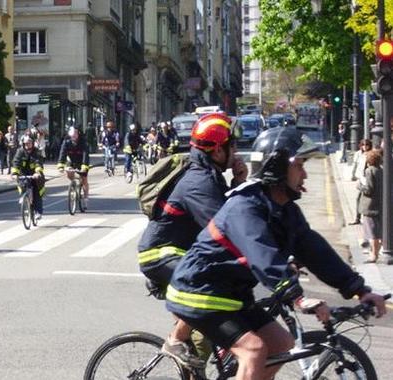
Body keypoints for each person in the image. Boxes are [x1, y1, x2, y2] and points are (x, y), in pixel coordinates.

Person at [166, 127, 388, 380]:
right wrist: (298, 297)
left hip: (231, 294)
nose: (304, 174)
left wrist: (358, 289)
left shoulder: (284, 210)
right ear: (278, 166)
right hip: (198, 292)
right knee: (253, 351)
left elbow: (315, 250)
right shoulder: (245, 207)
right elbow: (263, 255)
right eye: (299, 165)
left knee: (282, 345)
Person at [137, 113, 247, 368]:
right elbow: (225, 226)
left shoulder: (210, 174)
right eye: (233, 145)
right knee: (207, 281)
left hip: (182, 251)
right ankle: (176, 340)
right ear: (218, 150)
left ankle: (192, 358)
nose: (237, 150)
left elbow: (227, 212)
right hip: (160, 254)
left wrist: (238, 182)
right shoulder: (199, 181)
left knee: (206, 330)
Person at [11, 135, 45, 219]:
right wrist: (15, 173)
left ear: (32, 143)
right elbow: (16, 162)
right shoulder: (20, 151)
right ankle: (25, 199)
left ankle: (38, 211)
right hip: (23, 174)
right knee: (23, 186)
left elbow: (38, 162)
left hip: (35, 175)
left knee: (37, 192)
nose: (27, 145)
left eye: (29, 143)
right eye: (25, 144)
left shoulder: (36, 152)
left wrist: (37, 172)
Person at [358, 149, 383, 263]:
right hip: (379, 205)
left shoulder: (369, 171)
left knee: (372, 233)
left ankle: (374, 255)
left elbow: (369, 189)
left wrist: (359, 186)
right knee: (377, 231)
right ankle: (374, 252)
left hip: (370, 206)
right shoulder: (381, 170)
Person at [57, 126, 91, 208]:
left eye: (76, 133)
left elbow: (85, 155)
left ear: (78, 133)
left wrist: (84, 166)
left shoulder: (83, 142)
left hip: (82, 162)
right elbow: (62, 153)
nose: (74, 135)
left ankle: (86, 197)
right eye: (72, 134)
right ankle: (74, 184)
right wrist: (61, 165)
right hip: (71, 161)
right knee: (69, 173)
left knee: (84, 179)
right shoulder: (66, 142)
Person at [349, 139, 373, 226]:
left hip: (368, 180)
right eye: (363, 145)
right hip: (361, 179)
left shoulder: (371, 154)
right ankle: (357, 218)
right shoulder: (358, 154)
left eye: (367, 145)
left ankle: (365, 219)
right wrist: (353, 175)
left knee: (366, 200)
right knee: (358, 199)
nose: (365, 147)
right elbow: (355, 165)